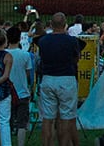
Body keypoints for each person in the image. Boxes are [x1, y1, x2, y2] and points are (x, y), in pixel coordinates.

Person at [37, 12, 81, 146]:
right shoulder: (72, 41)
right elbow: (76, 58)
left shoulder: (43, 41)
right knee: (66, 118)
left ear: (51, 24)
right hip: (66, 78)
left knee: (47, 119)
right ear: (65, 24)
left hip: (48, 78)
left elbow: (42, 58)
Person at [6, 26, 34, 146]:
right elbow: (28, 74)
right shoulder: (25, 55)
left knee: (6, 122)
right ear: (19, 38)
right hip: (22, 91)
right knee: (22, 123)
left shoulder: (3, 54)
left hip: (7, 92)